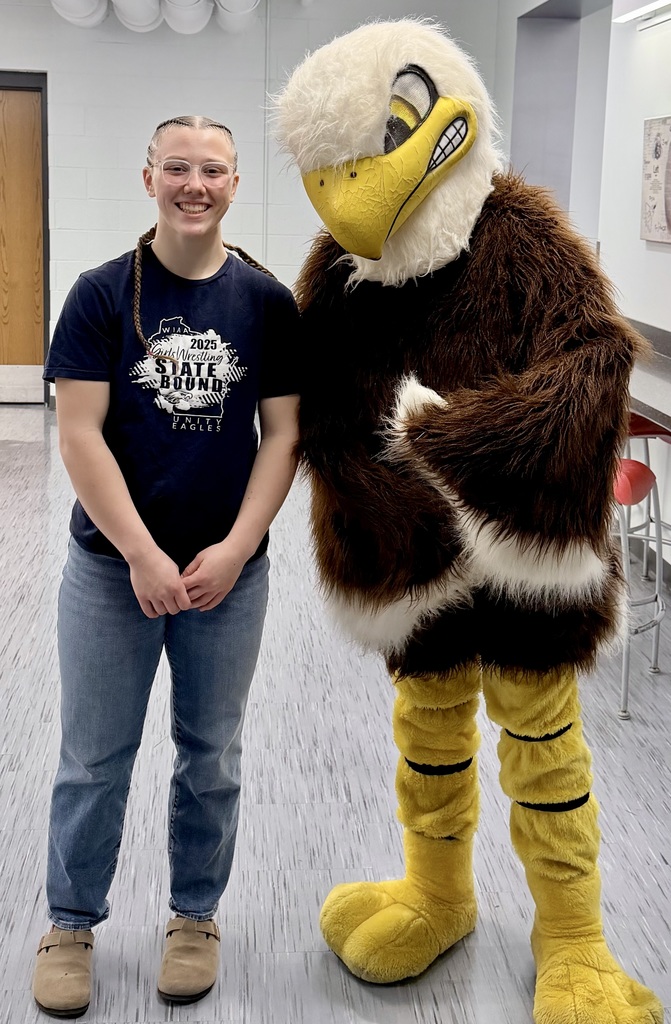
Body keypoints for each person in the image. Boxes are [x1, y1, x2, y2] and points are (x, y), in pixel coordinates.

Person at [32, 114, 300, 1019]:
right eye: (177, 167)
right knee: (93, 757)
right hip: (113, 573)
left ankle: (195, 917)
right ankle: (70, 925)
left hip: (229, 578)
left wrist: (235, 547)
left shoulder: (265, 304)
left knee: (210, 756)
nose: (195, 183)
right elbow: (78, 436)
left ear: (233, 186)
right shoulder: (102, 294)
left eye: (213, 170)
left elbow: (284, 435)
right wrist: (143, 553)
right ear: (148, 177)